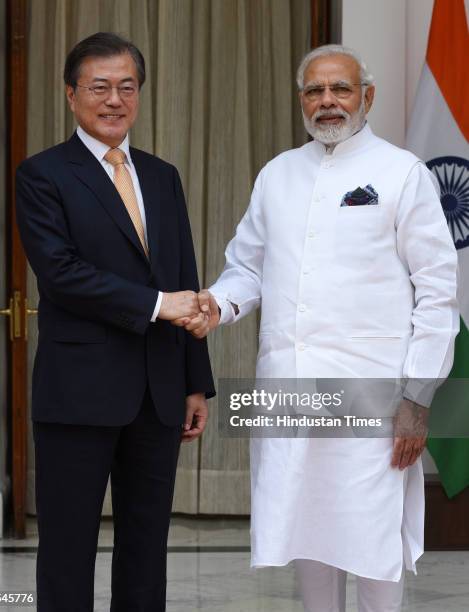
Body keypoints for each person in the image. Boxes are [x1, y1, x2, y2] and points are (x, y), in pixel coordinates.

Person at [183, 44, 458, 611]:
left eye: (341, 89)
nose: (327, 102)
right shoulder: (277, 173)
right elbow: (247, 268)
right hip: (290, 383)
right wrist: (219, 304)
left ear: (367, 97)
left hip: (374, 391)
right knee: (304, 526)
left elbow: (437, 292)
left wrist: (418, 394)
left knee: (372, 534)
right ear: (301, 100)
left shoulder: (400, 172)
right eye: (315, 91)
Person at [16, 32, 214, 612]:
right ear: (71, 94)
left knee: (147, 546)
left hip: (158, 392)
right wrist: (156, 305)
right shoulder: (43, 174)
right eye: (99, 87)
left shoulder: (161, 175)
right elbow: (61, 274)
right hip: (78, 393)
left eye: (127, 87)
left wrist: (194, 380)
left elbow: (185, 274)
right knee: (67, 547)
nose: (114, 100)